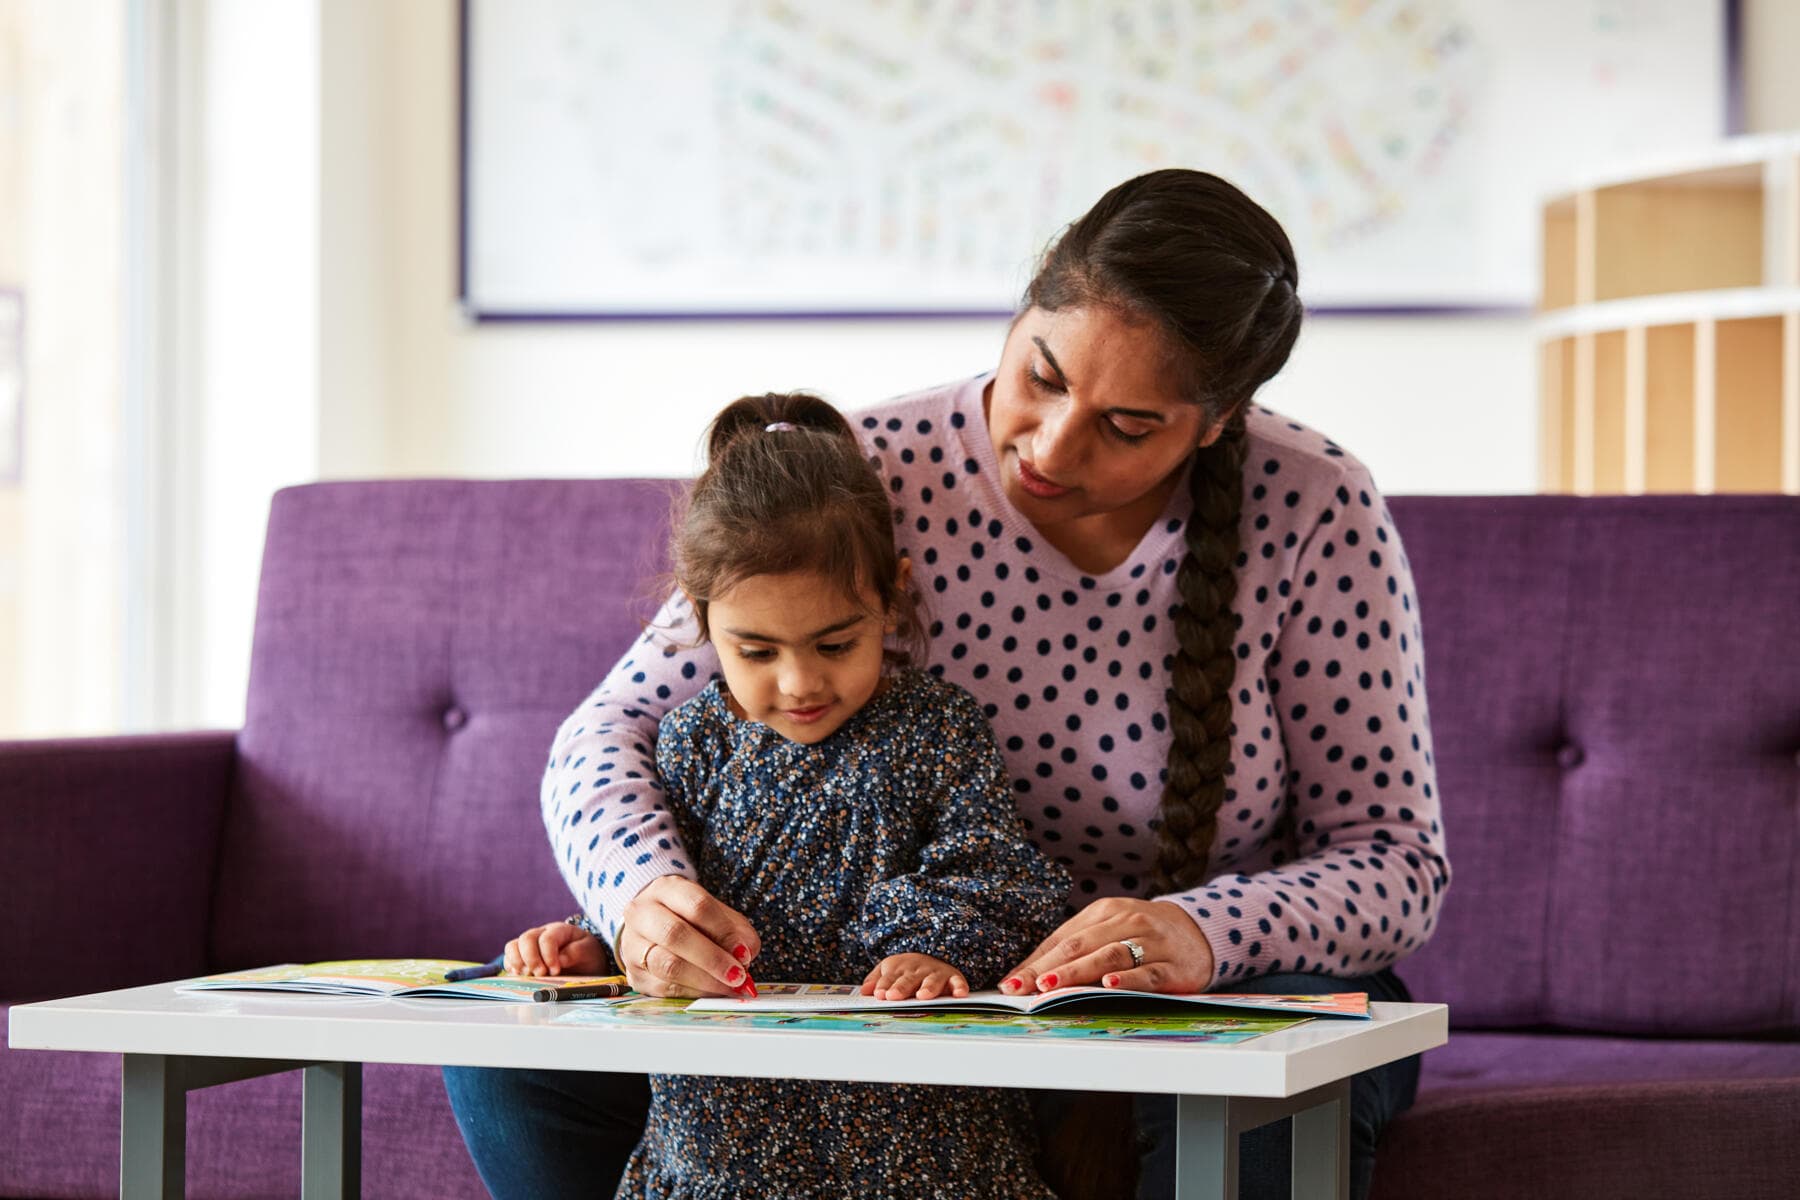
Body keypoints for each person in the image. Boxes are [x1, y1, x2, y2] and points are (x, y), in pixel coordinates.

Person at [445, 168, 1452, 1200]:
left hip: (1211, 988)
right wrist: (642, 900)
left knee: (1262, 1106)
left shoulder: (1317, 506)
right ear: (1019, 317)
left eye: (1128, 426)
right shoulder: (862, 470)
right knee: (512, 1048)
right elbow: (607, 732)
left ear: (1215, 420)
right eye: (1042, 376)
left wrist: (1204, 933)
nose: (1051, 445)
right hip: (908, 996)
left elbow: (1394, 859)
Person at [498, 390, 1073, 1198]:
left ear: (892, 597)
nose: (800, 683)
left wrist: (935, 951)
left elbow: (1001, 877)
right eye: (758, 651)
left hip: (922, 1143)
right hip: (719, 1144)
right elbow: (664, 904)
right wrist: (597, 946)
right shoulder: (692, 742)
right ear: (702, 621)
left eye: (835, 644)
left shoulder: (938, 727)